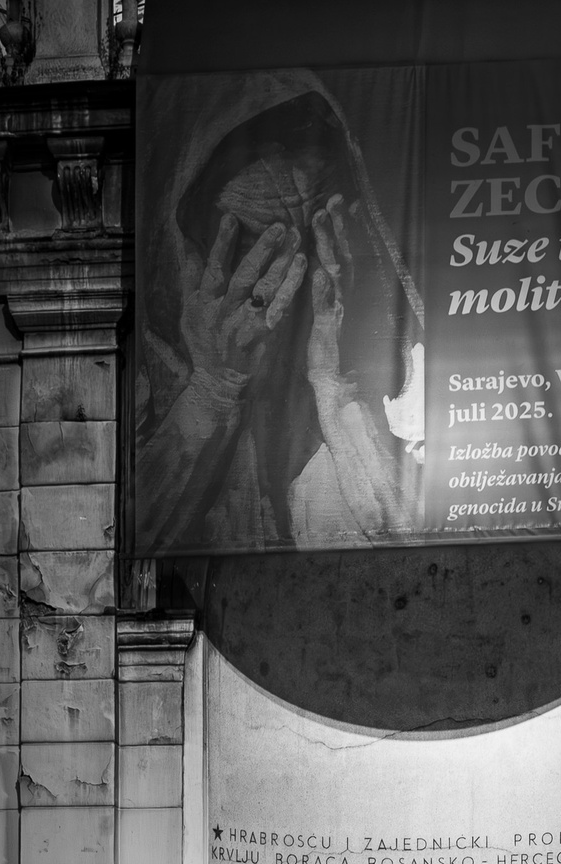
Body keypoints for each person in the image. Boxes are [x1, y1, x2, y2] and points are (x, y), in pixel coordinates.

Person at [139, 75, 425, 552]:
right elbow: (108, 559)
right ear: (194, 253)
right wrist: (214, 388)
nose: (289, 286)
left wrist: (339, 390)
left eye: (316, 242)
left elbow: (430, 554)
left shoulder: (411, 361)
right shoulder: (143, 364)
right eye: (256, 249)